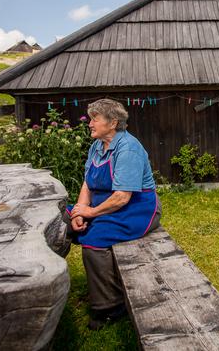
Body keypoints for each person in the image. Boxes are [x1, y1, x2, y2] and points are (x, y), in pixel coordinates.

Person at [67, 98, 161, 330]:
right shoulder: (97, 146)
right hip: (104, 205)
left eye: (94, 119)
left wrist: (91, 212)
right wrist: (80, 211)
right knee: (63, 222)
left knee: (94, 241)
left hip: (136, 208)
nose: (89, 124)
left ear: (112, 123)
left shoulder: (127, 148)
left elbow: (122, 197)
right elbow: (87, 183)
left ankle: (110, 306)